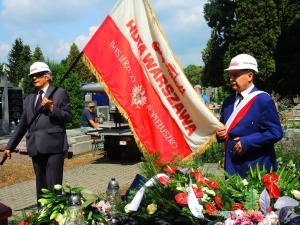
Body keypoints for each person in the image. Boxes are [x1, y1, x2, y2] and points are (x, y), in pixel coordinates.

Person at [1, 62, 72, 203]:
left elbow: (68, 116)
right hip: (35, 147)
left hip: (53, 147)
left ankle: (56, 218)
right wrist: (10, 146)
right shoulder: (29, 98)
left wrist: (52, 107)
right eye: (32, 76)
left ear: (48, 76)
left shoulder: (59, 93)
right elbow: (23, 124)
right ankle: (42, 217)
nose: (34, 78)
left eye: (38, 75)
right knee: (41, 188)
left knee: (54, 187)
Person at [216, 54, 283, 178]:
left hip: (255, 169)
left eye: (236, 75)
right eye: (230, 75)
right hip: (231, 169)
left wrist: (247, 142)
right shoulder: (228, 101)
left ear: (250, 76)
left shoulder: (263, 100)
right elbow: (224, 128)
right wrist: (220, 135)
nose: (231, 79)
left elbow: (275, 132)